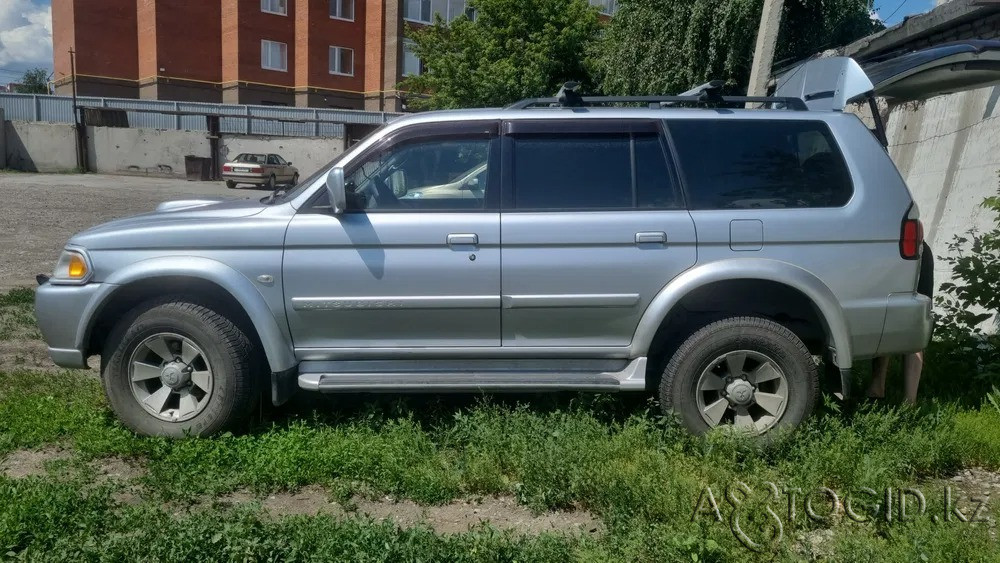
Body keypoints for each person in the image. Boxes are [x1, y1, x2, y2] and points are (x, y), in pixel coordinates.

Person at [867, 242, 934, 404]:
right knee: (910, 323)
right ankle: (906, 400)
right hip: (913, 248)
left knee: (892, 319)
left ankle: (885, 392)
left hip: (898, 251)